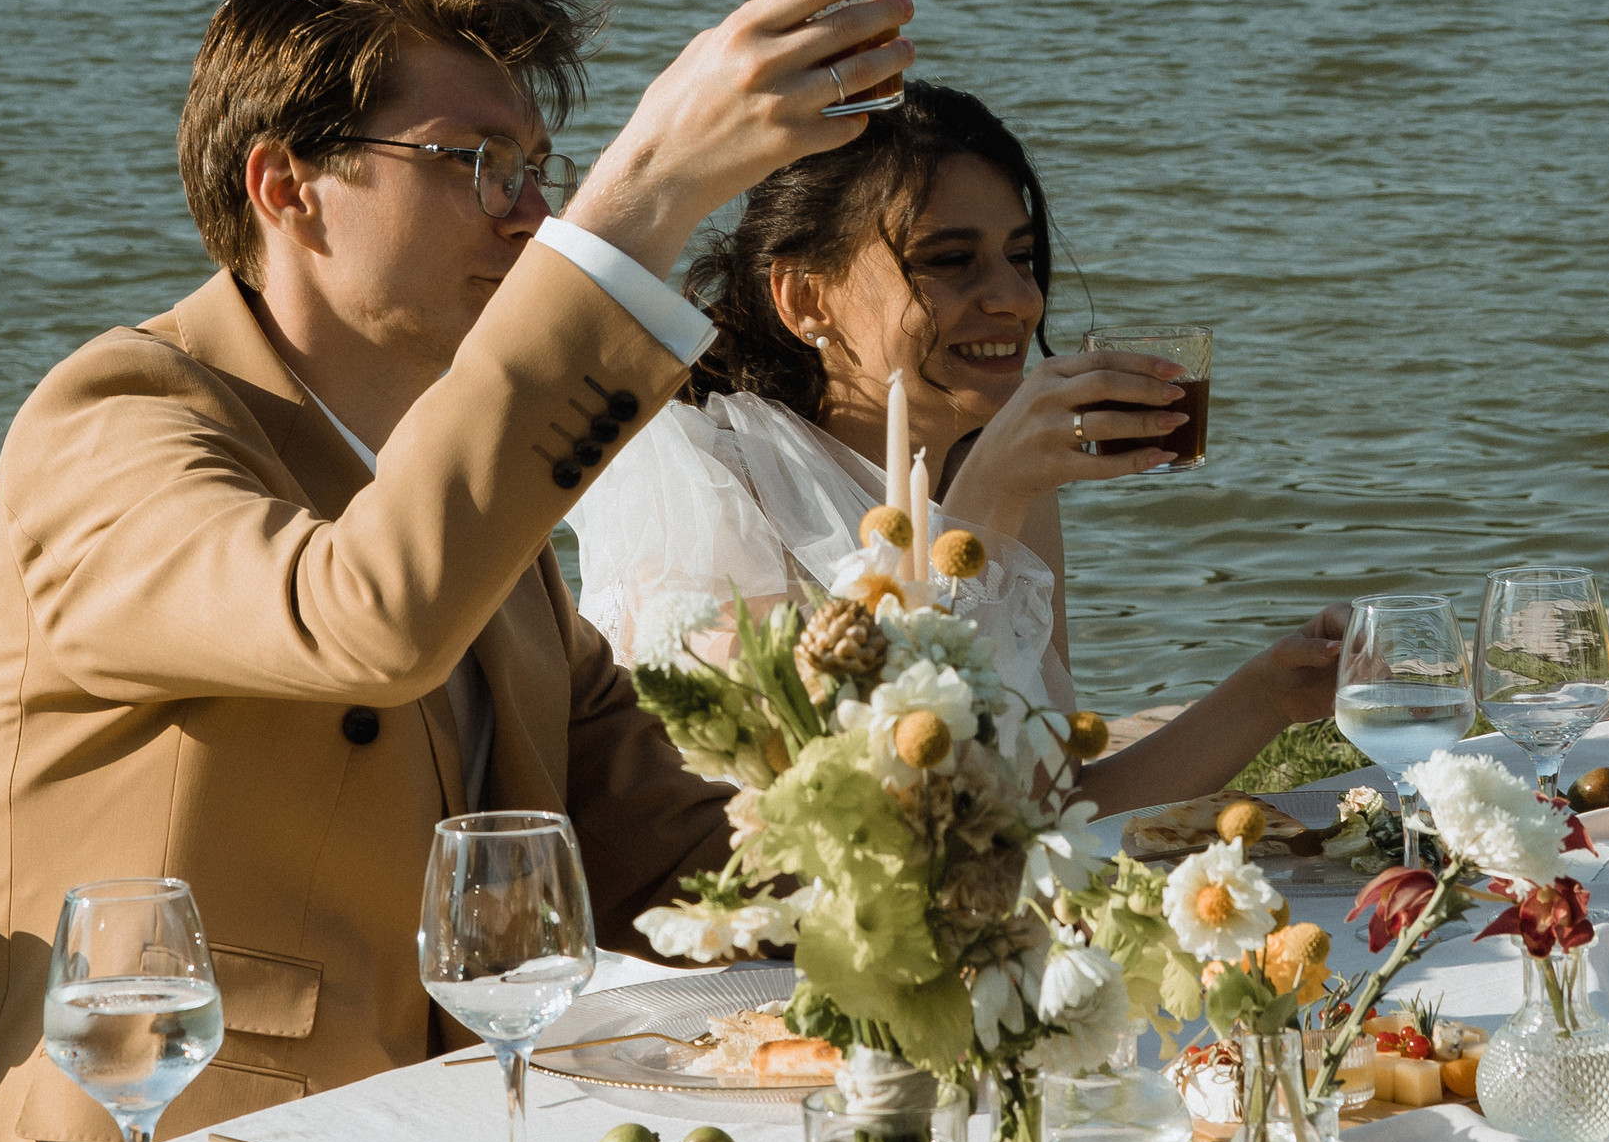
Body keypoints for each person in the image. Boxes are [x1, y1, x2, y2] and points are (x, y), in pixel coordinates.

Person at [0, 0, 914, 1142]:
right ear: (287, 188)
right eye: (478, 163)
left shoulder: (477, 512)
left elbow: (680, 859)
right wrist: (647, 191)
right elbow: (361, 616)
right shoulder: (114, 426)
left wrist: (980, 879)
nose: (529, 216)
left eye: (543, 172)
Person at [570, 81, 1342, 813]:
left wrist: (1269, 695)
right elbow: (842, 823)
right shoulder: (707, 483)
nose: (1014, 298)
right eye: (949, 259)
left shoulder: (995, 468)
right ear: (805, 298)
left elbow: (1041, 807)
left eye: (1021, 254)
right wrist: (981, 512)